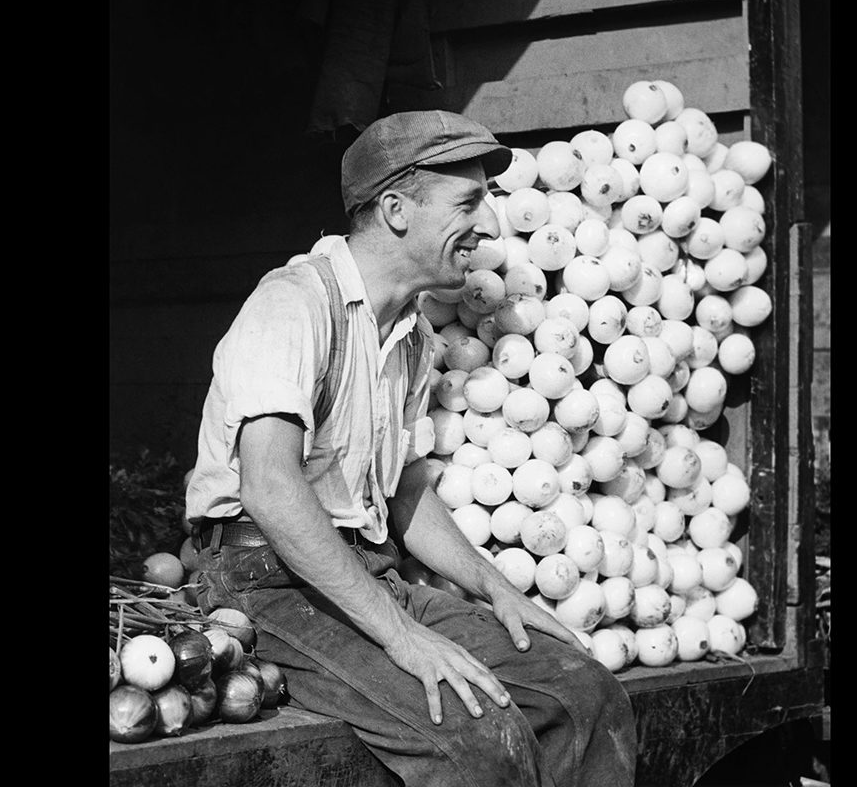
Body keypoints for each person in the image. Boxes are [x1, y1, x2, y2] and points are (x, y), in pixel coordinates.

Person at [186, 109, 637, 787]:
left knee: (586, 695)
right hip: (267, 589)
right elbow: (270, 489)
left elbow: (403, 488)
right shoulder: (293, 305)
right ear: (396, 209)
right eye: (468, 203)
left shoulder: (412, 334)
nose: (487, 227)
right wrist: (402, 637)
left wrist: (496, 590)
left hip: (367, 575)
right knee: (479, 736)